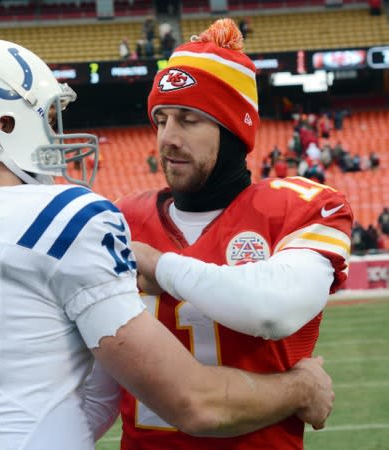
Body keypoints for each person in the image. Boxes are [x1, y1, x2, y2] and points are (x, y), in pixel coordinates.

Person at [0, 38, 334, 450]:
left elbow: (88, 392)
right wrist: (300, 389)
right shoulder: (64, 216)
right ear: (2, 123)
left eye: (187, 119)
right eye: (45, 117)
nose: (167, 137)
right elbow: (194, 403)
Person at [116, 19, 353, 450]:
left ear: (232, 130)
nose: (168, 138)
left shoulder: (300, 207)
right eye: (161, 120)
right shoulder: (121, 218)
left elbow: (270, 311)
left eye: (188, 120)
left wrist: (157, 264)